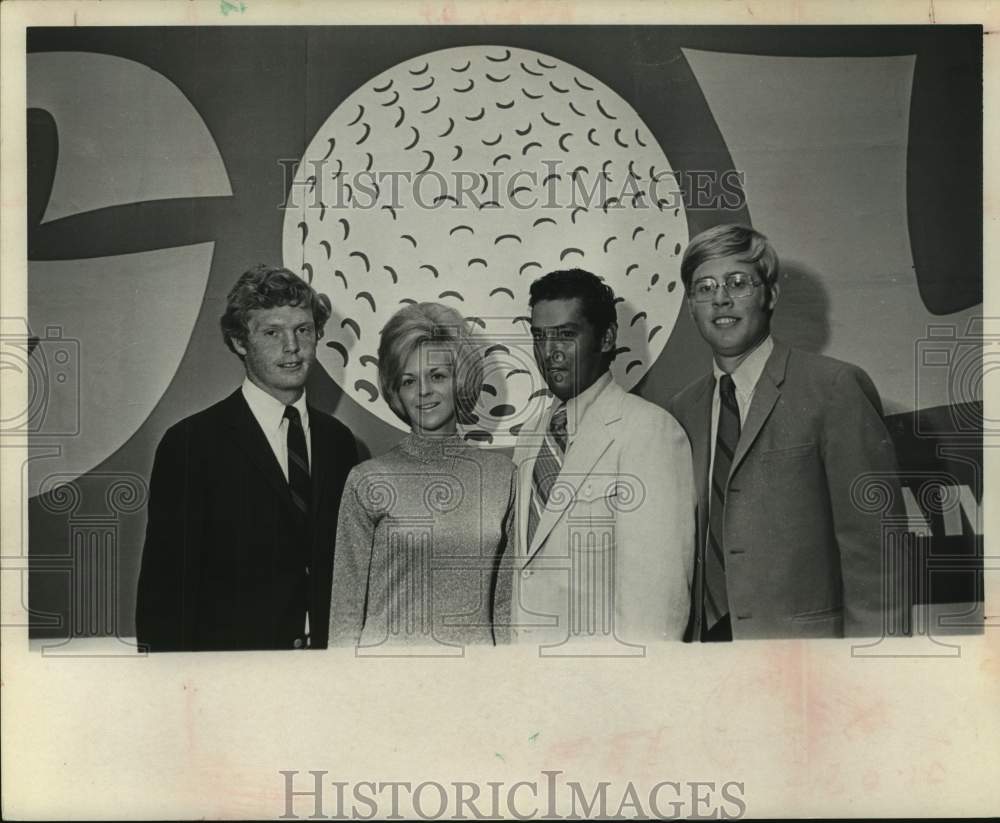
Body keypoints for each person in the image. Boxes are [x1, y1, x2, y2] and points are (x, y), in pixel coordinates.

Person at [668, 224, 907, 641]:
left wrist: (875, 671)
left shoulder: (834, 389)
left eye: (738, 283)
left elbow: (877, 553)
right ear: (691, 307)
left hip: (804, 659)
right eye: (704, 287)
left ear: (771, 295)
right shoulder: (682, 411)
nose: (720, 298)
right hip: (705, 659)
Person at [135, 265, 358, 651]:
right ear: (240, 342)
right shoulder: (189, 444)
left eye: (303, 330)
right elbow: (164, 595)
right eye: (272, 332)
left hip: (326, 674)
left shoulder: (338, 442)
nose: (292, 346)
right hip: (232, 680)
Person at [499, 268, 696, 648]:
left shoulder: (649, 431)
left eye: (566, 335)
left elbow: (659, 600)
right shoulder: (530, 436)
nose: (549, 351)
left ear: (606, 338)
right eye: (540, 336)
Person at [329, 303, 515, 650]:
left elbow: (505, 606)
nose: (424, 391)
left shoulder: (502, 476)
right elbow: (345, 612)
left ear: (461, 380)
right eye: (409, 380)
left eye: (438, 376)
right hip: (387, 679)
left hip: (475, 679)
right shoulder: (367, 480)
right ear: (395, 391)